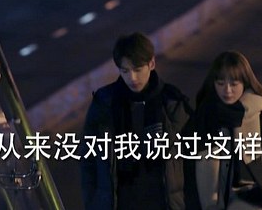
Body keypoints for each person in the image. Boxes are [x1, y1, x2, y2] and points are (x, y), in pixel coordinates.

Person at [81, 32, 192, 210]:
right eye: (125, 71)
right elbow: (88, 159)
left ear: (151, 64)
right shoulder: (105, 103)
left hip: (164, 203)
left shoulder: (171, 102)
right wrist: (94, 203)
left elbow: (192, 156)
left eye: (138, 69)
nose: (132, 78)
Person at [190, 51, 262, 210]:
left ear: (245, 83)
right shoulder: (203, 117)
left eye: (234, 84)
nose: (227, 90)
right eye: (220, 83)